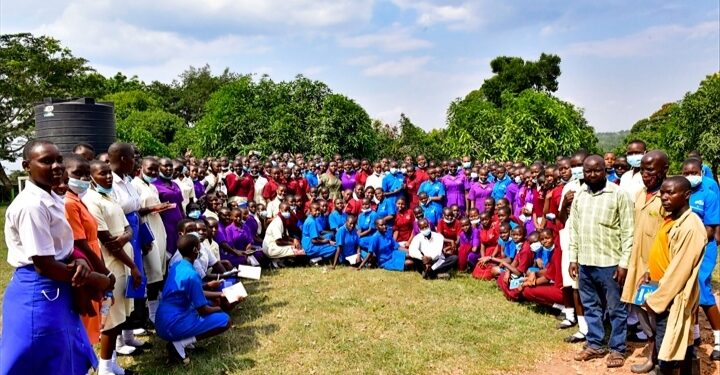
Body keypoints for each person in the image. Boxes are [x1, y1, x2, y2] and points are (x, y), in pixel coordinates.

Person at [1, 140, 102, 375]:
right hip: (41, 290)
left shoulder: (52, 197)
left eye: (58, 159)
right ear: (27, 166)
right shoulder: (32, 205)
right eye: (46, 161)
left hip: (56, 285)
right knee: (43, 356)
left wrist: (78, 262)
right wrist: (95, 279)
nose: (56, 166)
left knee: (63, 353)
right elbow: (44, 264)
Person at [569, 155, 634, 368]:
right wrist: (573, 258)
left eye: (597, 170)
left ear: (605, 170)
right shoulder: (580, 195)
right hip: (585, 262)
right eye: (588, 171)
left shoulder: (619, 195)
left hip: (610, 263)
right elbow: (575, 229)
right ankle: (595, 344)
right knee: (591, 306)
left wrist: (624, 263)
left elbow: (629, 232)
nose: (592, 175)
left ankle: (617, 348)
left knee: (616, 309)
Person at [637, 177, 707, 374]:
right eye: (663, 193)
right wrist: (649, 273)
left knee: (670, 348)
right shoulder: (671, 219)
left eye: (671, 193)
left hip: (671, 296)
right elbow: (665, 251)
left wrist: (657, 300)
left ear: (686, 195)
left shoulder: (691, 227)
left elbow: (680, 271)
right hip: (660, 288)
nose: (664, 197)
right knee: (675, 343)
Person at [85, 159, 144, 374]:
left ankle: (112, 363)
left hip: (123, 262)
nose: (108, 177)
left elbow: (128, 227)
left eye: (109, 173)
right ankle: (105, 368)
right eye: (102, 174)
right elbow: (108, 241)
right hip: (111, 265)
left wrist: (125, 237)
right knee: (111, 319)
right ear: (91, 176)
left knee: (119, 316)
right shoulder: (92, 201)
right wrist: (134, 267)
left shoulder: (110, 195)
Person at [620, 151, 669, 373]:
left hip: (657, 267)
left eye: (650, 170)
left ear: (664, 169)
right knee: (640, 308)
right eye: (642, 170)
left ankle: (661, 360)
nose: (645, 175)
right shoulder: (640, 194)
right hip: (637, 263)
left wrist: (654, 267)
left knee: (657, 312)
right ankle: (653, 353)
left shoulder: (668, 197)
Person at [156, 234, 232, 363]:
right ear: (195, 250)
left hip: (162, 319)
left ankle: (182, 339)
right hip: (173, 324)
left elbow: (190, 289)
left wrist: (219, 293)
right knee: (225, 320)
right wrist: (219, 308)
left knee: (204, 304)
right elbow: (203, 310)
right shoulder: (192, 274)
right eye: (199, 246)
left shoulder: (178, 265)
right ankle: (180, 343)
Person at [108, 143, 147, 351]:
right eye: (133, 157)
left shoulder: (127, 181)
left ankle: (129, 334)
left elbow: (136, 209)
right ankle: (118, 342)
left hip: (135, 233)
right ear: (123, 158)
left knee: (135, 283)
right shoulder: (109, 182)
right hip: (121, 235)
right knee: (121, 287)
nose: (135, 161)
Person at [682, 158, 720, 360]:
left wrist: (692, 242)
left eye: (694, 172)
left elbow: (711, 228)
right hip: (685, 249)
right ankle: (694, 335)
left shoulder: (709, 195)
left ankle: (719, 339)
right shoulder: (681, 193)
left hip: (705, 248)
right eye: (686, 173)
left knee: (703, 292)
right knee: (688, 291)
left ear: (701, 173)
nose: (690, 176)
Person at [131, 157, 171, 327]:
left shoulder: (152, 186)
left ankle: (155, 311)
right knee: (152, 272)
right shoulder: (134, 186)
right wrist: (153, 209)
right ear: (141, 168)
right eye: (150, 170)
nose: (153, 173)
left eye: (156, 170)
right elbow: (134, 211)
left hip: (158, 226)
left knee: (160, 270)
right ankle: (150, 314)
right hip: (146, 228)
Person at [154, 157, 186, 258]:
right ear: (159, 168)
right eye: (165, 166)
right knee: (168, 253)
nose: (169, 168)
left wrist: (184, 221)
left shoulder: (175, 184)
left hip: (178, 224)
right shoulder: (154, 185)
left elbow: (180, 205)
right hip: (165, 224)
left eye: (170, 166)